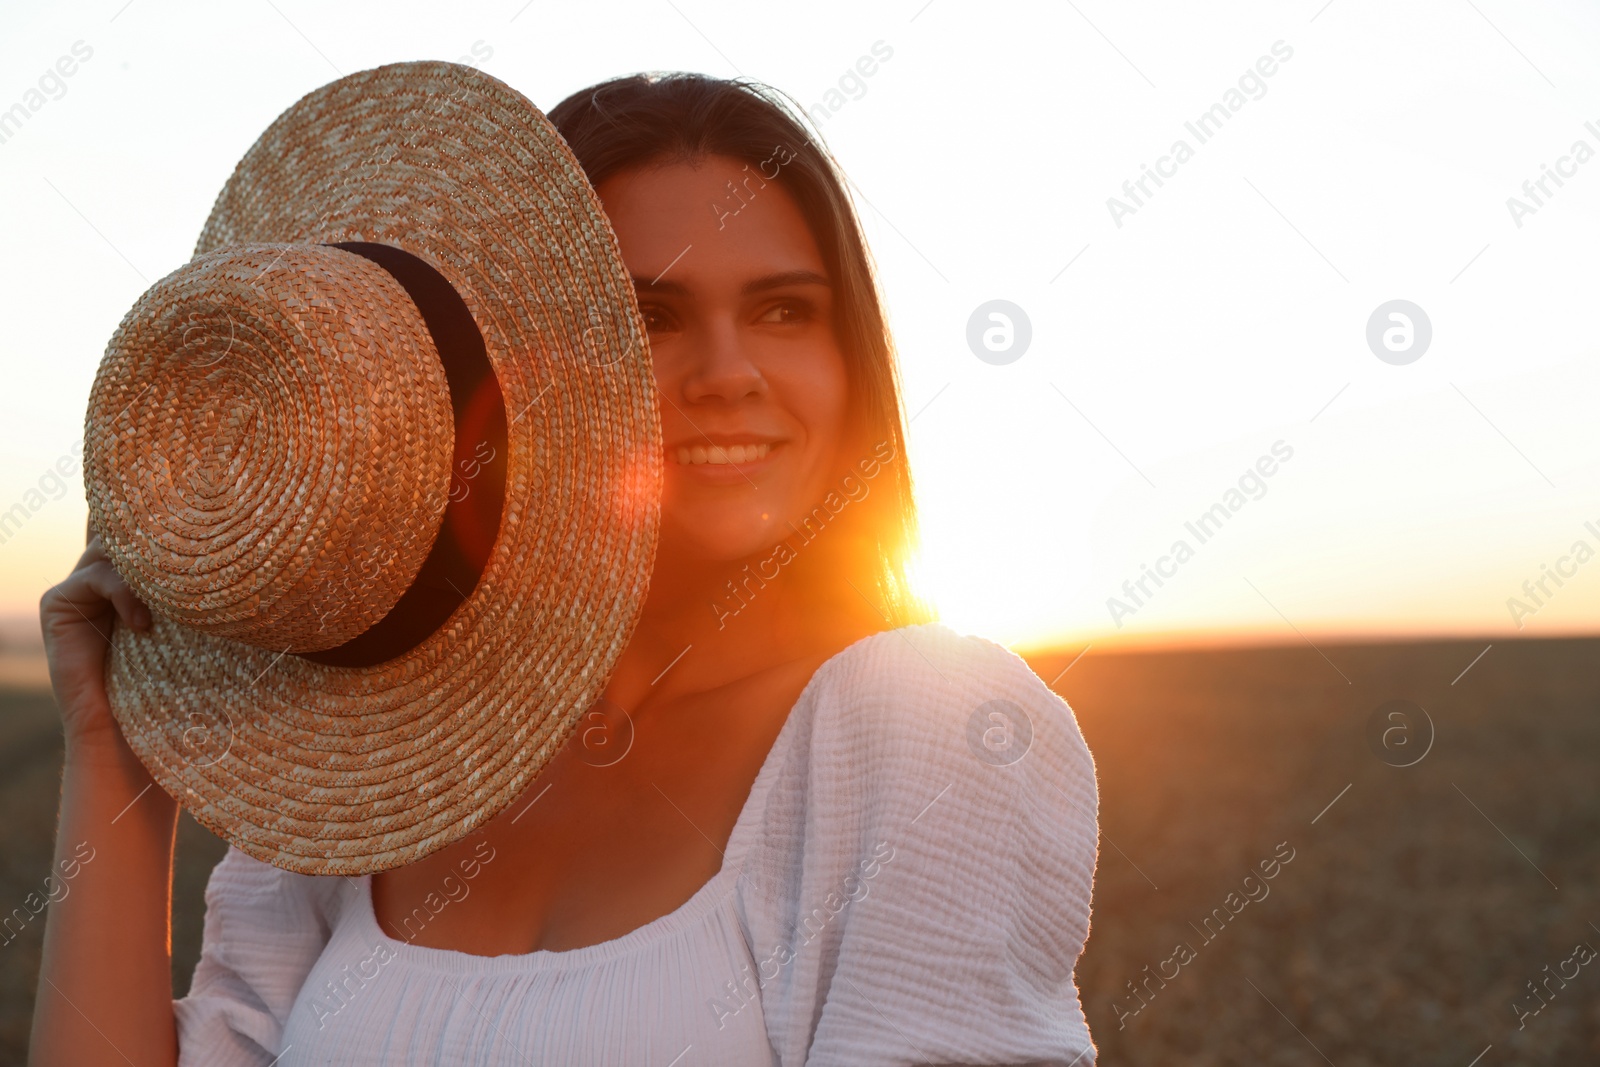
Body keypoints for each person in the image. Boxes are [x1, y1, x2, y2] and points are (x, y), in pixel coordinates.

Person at [31, 72, 1100, 1065]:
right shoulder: (367, 768)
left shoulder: (924, 724)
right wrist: (114, 757)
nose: (729, 373)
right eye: (651, 318)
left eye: (783, 309)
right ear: (518, 374)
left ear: (847, 353)